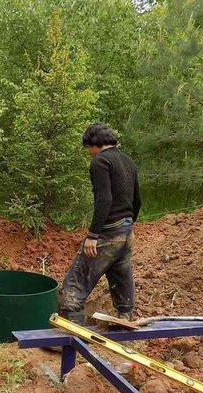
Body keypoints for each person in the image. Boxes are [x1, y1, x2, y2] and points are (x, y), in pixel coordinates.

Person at [61, 123, 142, 324]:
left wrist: (94, 235)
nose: (89, 152)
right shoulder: (127, 161)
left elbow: (104, 199)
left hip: (108, 232)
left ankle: (71, 333)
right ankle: (125, 320)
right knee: (121, 278)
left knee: (75, 284)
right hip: (126, 230)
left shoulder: (100, 162)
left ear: (94, 143)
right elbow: (137, 200)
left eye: (88, 147)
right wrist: (128, 225)